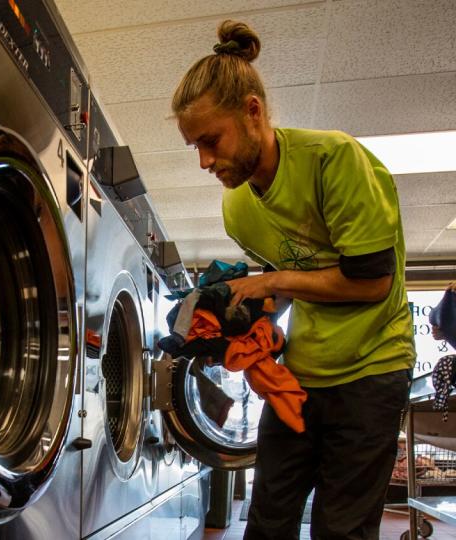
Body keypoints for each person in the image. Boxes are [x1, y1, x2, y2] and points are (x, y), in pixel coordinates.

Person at [171, 20, 415, 540]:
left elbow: (370, 282)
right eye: (194, 146)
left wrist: (271, 281)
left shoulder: (333, 160)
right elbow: (288, 285)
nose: (204, 161)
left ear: (252, 111)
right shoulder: (237, 209)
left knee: (340, 529)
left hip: (373, 369)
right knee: (267, 521)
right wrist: (239, 325)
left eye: (210, 140)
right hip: (301, 375)